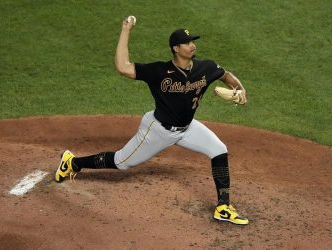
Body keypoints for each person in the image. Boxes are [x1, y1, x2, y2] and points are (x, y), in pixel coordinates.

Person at [55, 16, 249, 225]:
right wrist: (126, 30)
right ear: (176, 48)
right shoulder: (158, 71)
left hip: (187, 128)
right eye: (188, 42)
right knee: (122, 161)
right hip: (158, 130)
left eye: (193, 41)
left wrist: (239, 88)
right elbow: (123, 66)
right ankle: (73, 162)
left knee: (219, 149)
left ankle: (223, 207)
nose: (193, 45)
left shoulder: (206, 68)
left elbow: (225, 74)